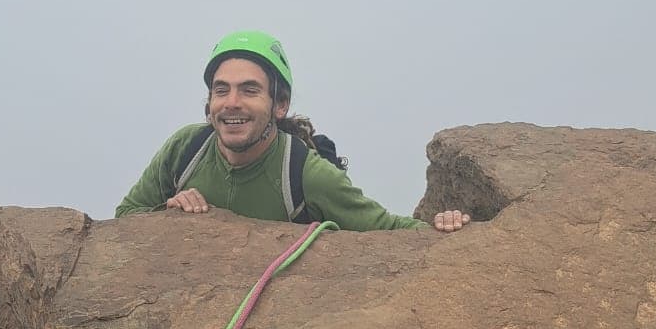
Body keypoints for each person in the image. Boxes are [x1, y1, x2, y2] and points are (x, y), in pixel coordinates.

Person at [115, 30, 471, 234]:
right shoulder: (186, 149)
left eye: (250, 90)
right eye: (221, 90)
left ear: (279, 104)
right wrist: (168, 211)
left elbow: (389, 231)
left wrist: (444, 227)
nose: (232, 102)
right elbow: (127, 215)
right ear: (209, 103)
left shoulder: (305, 173)